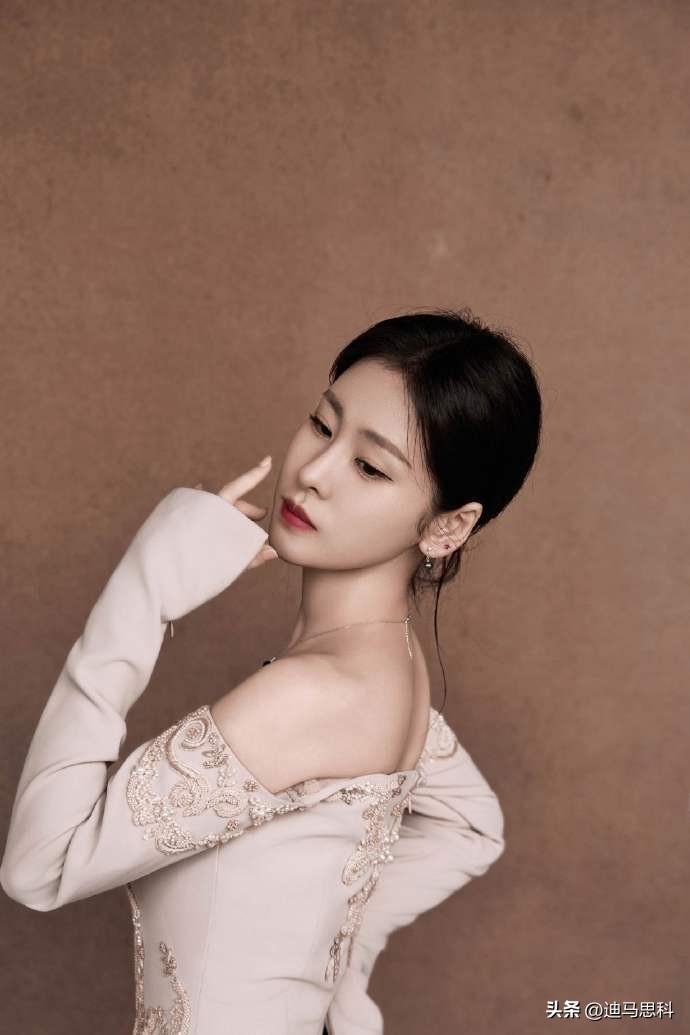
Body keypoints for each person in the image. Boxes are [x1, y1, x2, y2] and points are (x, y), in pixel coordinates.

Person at [0, 307, 542, 1034]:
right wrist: (338, 971)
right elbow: (472, 825)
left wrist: (146, 586)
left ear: (448, 525)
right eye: (322, 424)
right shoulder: (393, 673)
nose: (313, 473)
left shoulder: (313, 694)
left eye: (370, 466)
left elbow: (40, 865)